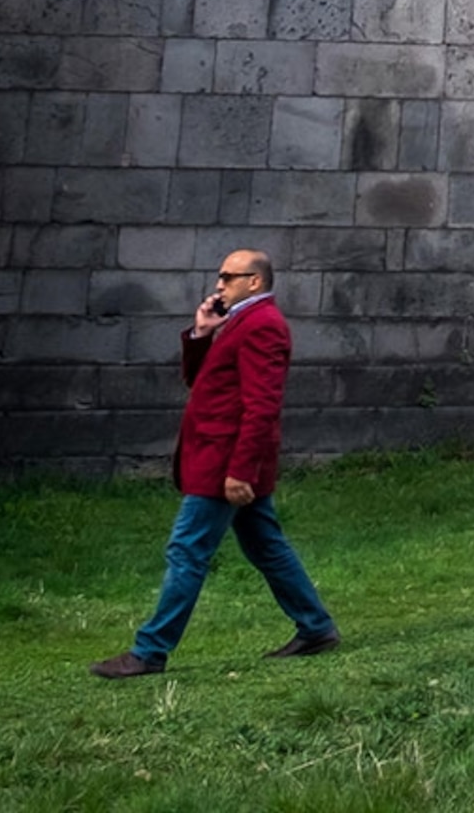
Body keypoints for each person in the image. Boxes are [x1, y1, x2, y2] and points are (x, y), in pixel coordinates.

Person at [90, 248, 341, 677]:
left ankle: (150, 650)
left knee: (187, 549)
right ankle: (316, 627)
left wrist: (240, 471)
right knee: (266, 546)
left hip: (226, 463)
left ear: (255, 281)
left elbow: (262, 406)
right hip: (219, 458)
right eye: (220, 275)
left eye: (228, 276)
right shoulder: (238, 322)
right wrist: (202, 334)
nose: (219, 283)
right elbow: (202, 381)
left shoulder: (264, 326)